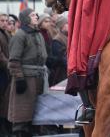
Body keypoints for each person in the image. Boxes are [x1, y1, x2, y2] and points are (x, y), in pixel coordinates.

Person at [8, 8, 47, 137]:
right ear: (25, 19)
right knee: (22, 116)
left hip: (38, 79)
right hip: (26, 80)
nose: (36, 16)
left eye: (36, 14)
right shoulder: (20, 35)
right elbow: (14, 61)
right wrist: (19, 79)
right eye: (32, 15)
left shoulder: (38, 34)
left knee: (35, 116)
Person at [49, 15, 68, 86]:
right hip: (62, 74)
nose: (70, 25)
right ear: (61, 26)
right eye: (67, 23)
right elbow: (62, 59)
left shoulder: (69, 37)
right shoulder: (57, 40)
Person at [0, 13, 11, 135]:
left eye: (6, 20)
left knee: (5, 100)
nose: (4, 23)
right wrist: (9, 65)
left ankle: (5, 127)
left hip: (6, 71)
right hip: (2, 71)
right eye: (2, 20)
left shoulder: (7, 34)